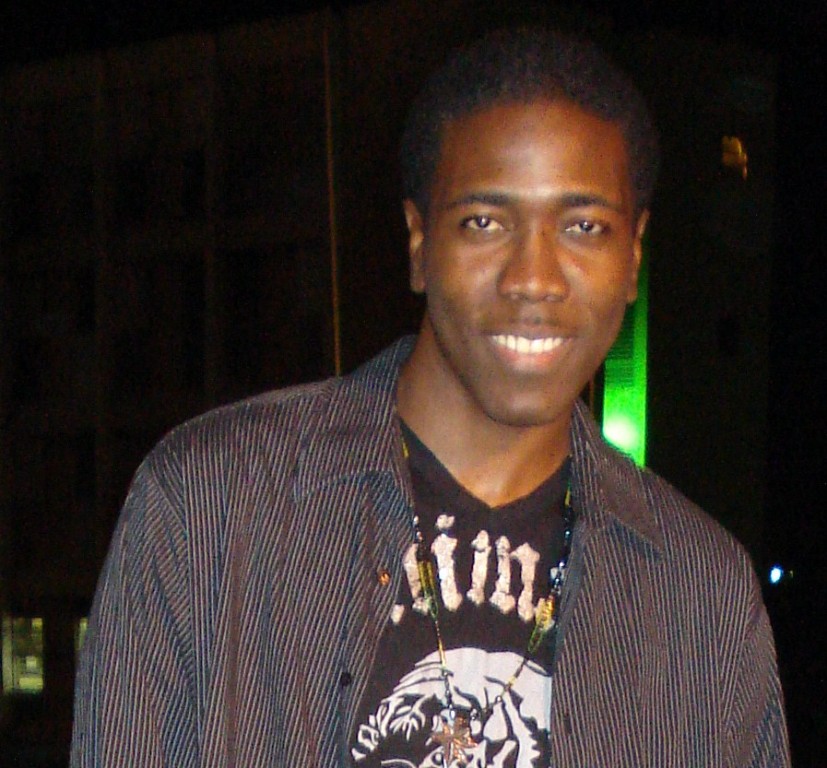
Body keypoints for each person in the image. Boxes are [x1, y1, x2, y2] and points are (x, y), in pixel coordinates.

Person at [71, 27, 790, 767]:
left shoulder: (702, 598)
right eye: (485, 222)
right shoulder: (209, 507)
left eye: (583, 227)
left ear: (632, 255)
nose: (533, 278)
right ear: (419, 242)